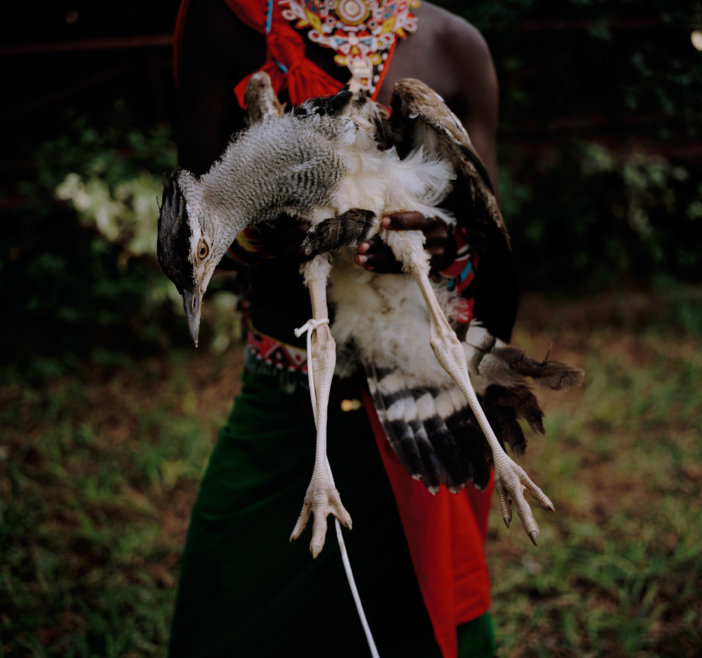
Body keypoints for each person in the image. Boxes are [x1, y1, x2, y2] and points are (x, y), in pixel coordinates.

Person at [167, 1, 517, 656]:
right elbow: (202, 224)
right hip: (288, 398)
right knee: (231, 611)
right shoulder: (232, 21)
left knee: (423, 619)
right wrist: (294, 217)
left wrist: (440, 243)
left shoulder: (454, 44)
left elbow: (487, 244)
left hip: (420, 389)